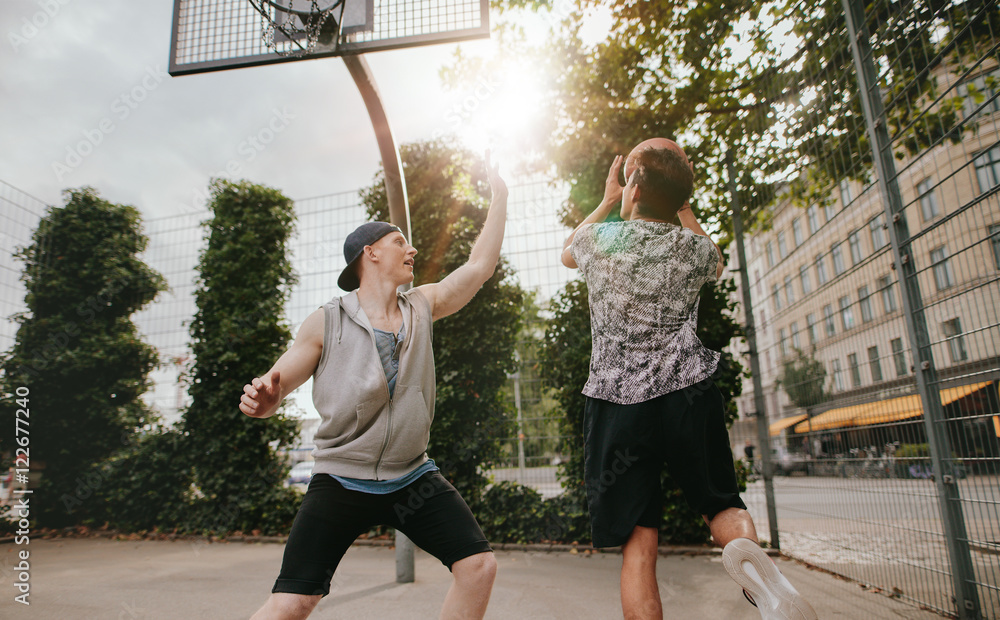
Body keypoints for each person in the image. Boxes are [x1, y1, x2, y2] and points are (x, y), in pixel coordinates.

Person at [239, 154, 507, 620]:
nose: (412, 251)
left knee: (479, 566)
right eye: (400, 241)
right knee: (294, 601)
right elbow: (276, 385)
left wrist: (500, 195)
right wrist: (263, 400)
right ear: (371, 253)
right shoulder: (325, 321)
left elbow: (479, 266)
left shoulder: (423, 305)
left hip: (412, 476)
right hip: (341, 478)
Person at [560, 139, 816, 620]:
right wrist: (684, 204)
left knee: (640, 542)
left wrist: (608, 200)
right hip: (688, 395)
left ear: (634, 182)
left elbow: (568, 253)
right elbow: (716, 261)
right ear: (679, 197)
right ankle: (767, 586)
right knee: (721, 504)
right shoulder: (694, 249)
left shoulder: (599, 241)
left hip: (619, 405)